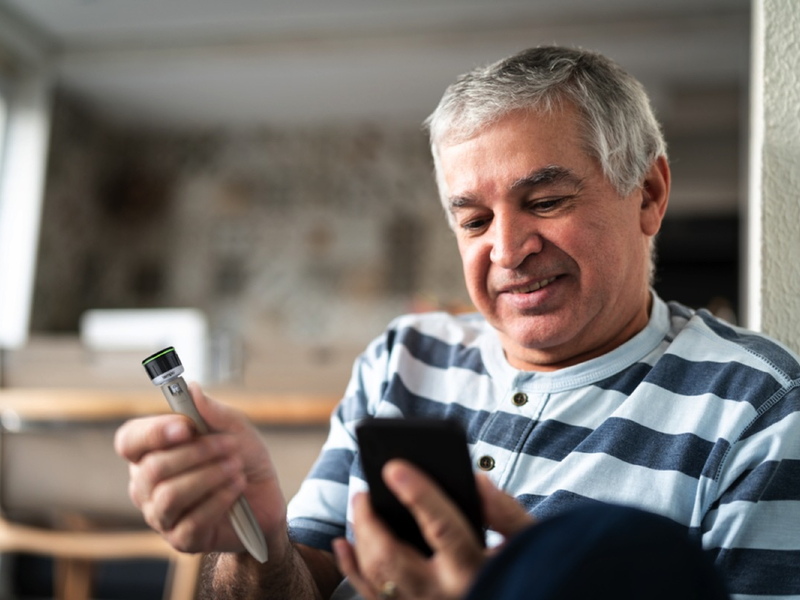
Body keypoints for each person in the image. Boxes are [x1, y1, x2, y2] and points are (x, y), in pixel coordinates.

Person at [115, 46, 800, 599]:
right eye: (473, 219)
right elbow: (299, 584)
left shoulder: (759, 409)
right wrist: (253, 539)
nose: (506, 249)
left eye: (548, 199)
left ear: (647, 194)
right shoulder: (404, 356)